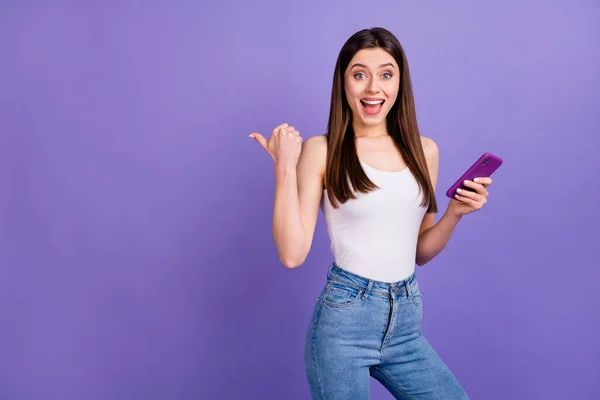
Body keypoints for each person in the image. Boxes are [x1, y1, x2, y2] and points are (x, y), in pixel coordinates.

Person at [250, 27, 491, 400]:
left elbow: (420, 252)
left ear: (400, 83)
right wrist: (284, 166)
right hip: (345, 322)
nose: (373, 88)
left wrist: (455, 213)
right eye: (360, 74)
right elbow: (292, 253)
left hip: (406, 323)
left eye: (386, 74)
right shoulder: (323, 150)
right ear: (343, 83)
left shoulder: (424, 151)